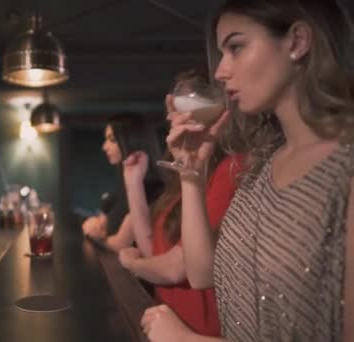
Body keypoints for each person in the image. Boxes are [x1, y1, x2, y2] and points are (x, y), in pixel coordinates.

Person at [141, 1, 354, 341]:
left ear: (297, 41)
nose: (221, 71)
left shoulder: (344, 169)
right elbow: (202, 274)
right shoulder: (263, 164)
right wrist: (192, 175)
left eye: (236, 47)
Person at [118, 68, 244, 336]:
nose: (172, 108)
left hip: (198, 331)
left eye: (186, 95)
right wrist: (133, 183)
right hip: (167, 326)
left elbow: (176, 268)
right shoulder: (187, 175)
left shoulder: (230, 169)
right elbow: (155, 250)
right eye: (177, 97)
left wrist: (132, 265)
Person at [82, 113, 163, 249]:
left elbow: (120, 244)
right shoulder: (124, 183)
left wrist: (95, 236)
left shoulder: (149, 190)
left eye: (112, 139)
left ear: (131, 141)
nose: (104, 147)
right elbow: (111, 216)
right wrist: (100, 223)